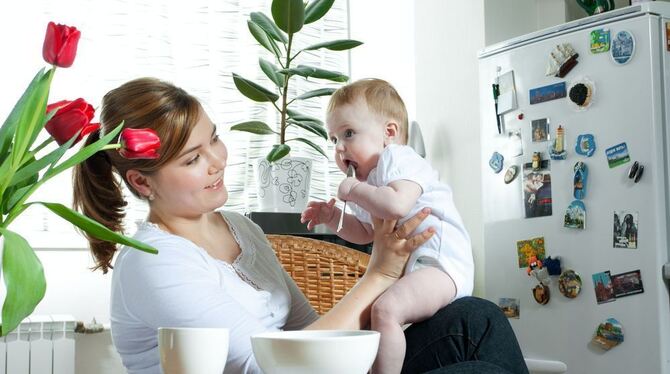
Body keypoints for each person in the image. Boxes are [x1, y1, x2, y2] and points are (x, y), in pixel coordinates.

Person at [73, 77, 528, 374]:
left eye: (214, 139)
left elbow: (311, 327)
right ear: (140, 181)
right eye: (193, 159)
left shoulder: (237, 228)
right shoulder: (155, 261)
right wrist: (382, 273)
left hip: (311, 367)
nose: (217, 162)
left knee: (477, 319)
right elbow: (266, 365)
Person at [300, 78, 474, 374]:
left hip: (442, 266)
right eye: (333, 139)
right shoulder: (369, 183)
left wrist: (352, 191)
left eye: (349, 134)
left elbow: (397, 205)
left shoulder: (398, 158)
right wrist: (333, 219)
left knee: (385, 310)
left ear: (389, 133)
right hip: (418, 270)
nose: (340, 148)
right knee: (369, 319)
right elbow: (366, 232)